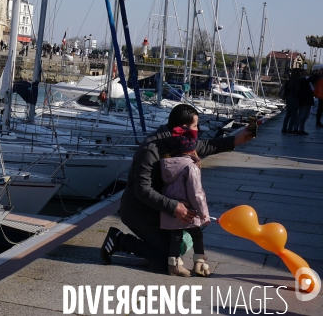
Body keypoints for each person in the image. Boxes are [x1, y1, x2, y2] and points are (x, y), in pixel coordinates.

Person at [99, 103, 254, 272]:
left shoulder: (181, 141)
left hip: (159, 212)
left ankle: (157, 244)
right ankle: (120, 240)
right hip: (139, 213)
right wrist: (174, 207)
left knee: (178, 248)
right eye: (195, 126)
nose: (198, 129)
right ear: (184, 127)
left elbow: (207, 146)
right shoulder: (150, 149)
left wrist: (236, 139)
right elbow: (142, 189)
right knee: (168, 259)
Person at [160, 126, 211, 277]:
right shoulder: (190, 167)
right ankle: (199, 263)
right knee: (197, 235)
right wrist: (203, 214)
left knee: (175, 237)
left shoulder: (166, 164)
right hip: (188, 210)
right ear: (191, 150)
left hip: (171, 210)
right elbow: (196, 194)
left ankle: (174, 265)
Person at [281, 68, 301, 134]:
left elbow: (286, 89)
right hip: (294, 98)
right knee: (294, 115)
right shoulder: (297, 80)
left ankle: (284, 128)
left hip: (288, 97)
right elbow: (298, 90)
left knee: (288, 115)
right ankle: (290, 129)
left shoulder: (289, 80)